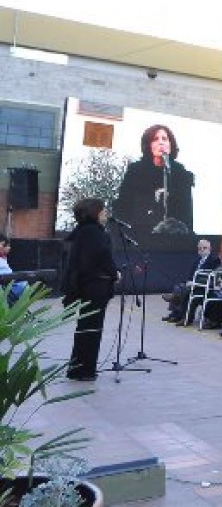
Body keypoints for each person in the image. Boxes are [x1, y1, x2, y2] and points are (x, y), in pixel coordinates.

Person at [64, 198, 120, 381]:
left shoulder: (82, 231)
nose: (105, 214)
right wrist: (115, 273)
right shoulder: (94, 232)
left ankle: (77, 368)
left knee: (85, 328)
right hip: (95, 286)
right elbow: (102, 257)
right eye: (103, 210)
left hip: (86, 286)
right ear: (94, 212)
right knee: (92, 329)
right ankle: (85, 371)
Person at [114, 124, 194, 236]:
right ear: (148, 145)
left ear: (171, 144)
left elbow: (186, 212)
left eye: (165, 139)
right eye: (155, 139)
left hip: (174, 237)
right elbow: (124, 205)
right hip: (141, 234)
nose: (161, 142)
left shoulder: (180, 173)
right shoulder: (136, 171)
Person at [162, 239, 221, 324]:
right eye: (199, 248)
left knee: (185, 292)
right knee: (178, 288)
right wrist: (189, 282)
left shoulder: (214, 260)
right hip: (194, 284)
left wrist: (194, 283)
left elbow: (211, 275)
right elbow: (191, 275)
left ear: (210, 249)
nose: (202, 250)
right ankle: (175, 314)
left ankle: (185, 317)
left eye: (204, 248)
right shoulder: (197, 260)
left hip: (204, 286)